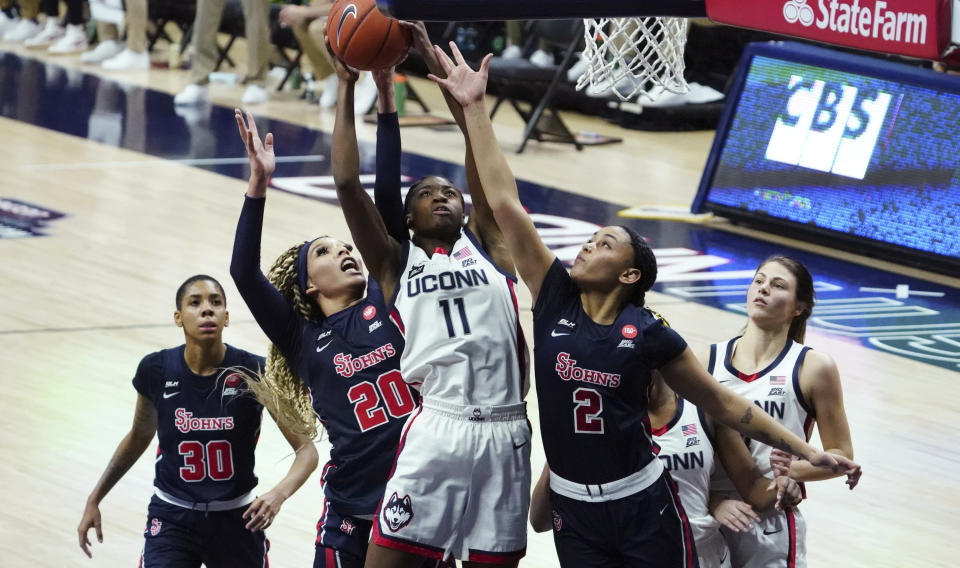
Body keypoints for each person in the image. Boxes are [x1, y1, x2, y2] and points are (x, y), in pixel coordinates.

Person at [427, 41, 861, 568]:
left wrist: (810, 452)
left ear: (630, 274)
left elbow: (727, 405)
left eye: (605, 243)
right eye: (590, 239)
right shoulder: (554, 292)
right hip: (572, 506)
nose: (587, 245)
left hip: (642, 503)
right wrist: (473, 108)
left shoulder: (649, 331)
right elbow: (504, 202)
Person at [329, 23, 531, 567]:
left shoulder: (489, 245)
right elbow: (348, 184)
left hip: (508, 430)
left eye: (449, 192)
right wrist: (348, 88)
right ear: (409, 217)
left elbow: (480, 153)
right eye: (426, 193)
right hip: (437, 428)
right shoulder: (396, 261)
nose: (442, 195)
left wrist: (457, 91)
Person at [229, 93, 424, 566]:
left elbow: (383, 200)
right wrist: (258, 184)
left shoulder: (387, 291)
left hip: (417, 497)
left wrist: (385, 101)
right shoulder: (300, 338)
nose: (344, 251)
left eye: (345, 246)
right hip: (350, 507)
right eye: (324, 252)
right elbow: (243, 272)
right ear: (309, 286)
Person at [76, 275, 319, 565]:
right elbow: (139, 436)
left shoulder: (255, 371)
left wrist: (278, 494)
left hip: (238, 518)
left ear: (226, 318)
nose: (207, 310)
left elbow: (307, 450)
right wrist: (95, 497)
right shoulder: (156, 369)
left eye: (216, 303)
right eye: (195, 303)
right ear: (178, 317)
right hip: (172, 518)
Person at [530, 371, 805, 568]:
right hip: (637, 554)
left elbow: (754, 488)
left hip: (703, 554)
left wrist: (783, 486)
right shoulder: (597, 423)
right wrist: (559, 453)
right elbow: (539, 520)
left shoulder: (704, 411)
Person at [706, 255, 856, 567]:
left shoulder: (814, 367)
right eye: (758, 281)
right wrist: (712, 500)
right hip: (708, 511)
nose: (762, 289)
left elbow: (841, 452)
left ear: (798, 307)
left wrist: (789, 474)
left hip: (768, 520)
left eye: (777, 285)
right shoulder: (707, 360)